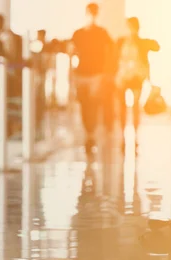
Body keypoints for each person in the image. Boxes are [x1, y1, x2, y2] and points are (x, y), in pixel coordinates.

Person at [71, 2, 114, 154]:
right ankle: (89, 134)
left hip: (96, 74)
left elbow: (109, 54)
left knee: (93, 105)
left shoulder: (102, 33)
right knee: (84, 105)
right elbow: (73, 53)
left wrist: (106, 74)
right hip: (82, 74)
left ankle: (91, 134)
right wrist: (73, 75)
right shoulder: (78, 34)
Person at [116, 17, 159, 140]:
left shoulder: (141, 43)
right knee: (122, 107)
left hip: (136, 78)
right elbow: (115, 59)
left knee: (135, 106)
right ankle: (122, 131)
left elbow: (156, 47)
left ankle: (135, 132)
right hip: (123, 77)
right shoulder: (121, 42)